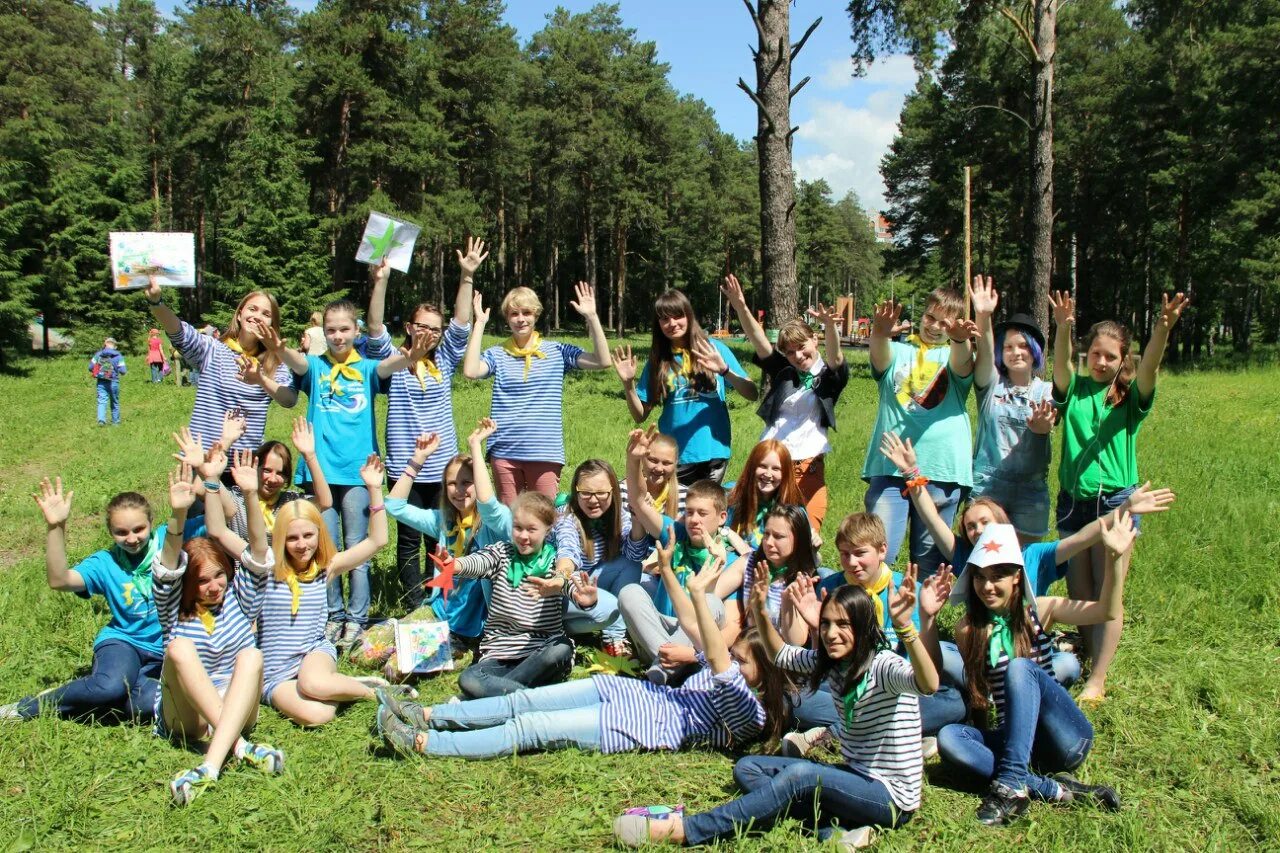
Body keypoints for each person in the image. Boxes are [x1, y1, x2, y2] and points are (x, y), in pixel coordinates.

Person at [613, 564, 940, 849]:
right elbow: (780, 655)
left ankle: (688, 830)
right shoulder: (833, 663)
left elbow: (928, 684)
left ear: (863, 627)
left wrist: (908, 628)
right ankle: (833, 828)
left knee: (800, 775)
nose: (832, 633)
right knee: (749, 769)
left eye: (844, 625)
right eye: (827, 624)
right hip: (855, 777)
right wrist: (759, 610)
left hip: (890, 797)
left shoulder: (882, 665)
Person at [376, 547, 781, 764]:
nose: (732, 661)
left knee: (528, 728)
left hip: (627, 725)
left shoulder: (750, 712)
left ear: (767, 677)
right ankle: (429, 715)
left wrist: (702, 596)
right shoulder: (728, 678)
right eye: (737, 655)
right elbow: (702, 636)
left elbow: (715, 653)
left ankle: (424, 743)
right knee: (522, 701)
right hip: (623, 693)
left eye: (743, 661)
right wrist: (682, 583)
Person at [937, 520, 1132, 826]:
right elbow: (978, 691)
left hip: (1064, 738)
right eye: (980, 577)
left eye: (998, 576)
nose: (987, 586)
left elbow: (1106, 610)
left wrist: (1115, 559)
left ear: (1016, 577)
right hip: (1018, 743)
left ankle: (1011, 786)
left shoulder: (1039, 610)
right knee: (950, 737)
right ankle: (1052, 788)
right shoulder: (967, 628)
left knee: (1020, 668)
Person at [265, 295, 427, 649]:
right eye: (331, 330)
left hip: (358, 473)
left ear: (355, 331)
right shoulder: (316, 367)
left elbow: (390, 367)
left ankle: (356, 618)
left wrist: (412, 355)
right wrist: (277, 348)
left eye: (344, 329)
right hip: (319, 471)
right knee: (325, 548)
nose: (337, 336)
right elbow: (296, 361)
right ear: (324, 332)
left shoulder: (367, 368)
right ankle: (331, 615)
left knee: (358, 549)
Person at [1049, 290, 1188, 701]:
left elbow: (1151, 367)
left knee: (1109, 592)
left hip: (1117, 504)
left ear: (1122, 359)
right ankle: (1089, 656)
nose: (1102, 362)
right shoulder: (1072, 388)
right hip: (1074, 503)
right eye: (1095, 353)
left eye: (1110, 356)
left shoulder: (1131, 399)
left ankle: (1097, 680)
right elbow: (1059, 364)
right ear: (1086, 354)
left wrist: (1162, 327)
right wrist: (1062, 328)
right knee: (1079, 592)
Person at [227, 455, 393, 727]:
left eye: (308, 535)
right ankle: (341, 686)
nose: (302, 545)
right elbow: (257, 540)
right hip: (275, 674)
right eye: (292, 538)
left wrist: (375, 489)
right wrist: (248, 494)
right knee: (320, 715)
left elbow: (377, 541)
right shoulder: (267, 567)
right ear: (280, 538)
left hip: (314, 654)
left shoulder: (324, 568)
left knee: (312, 681)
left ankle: (374, 692)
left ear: (319, 534)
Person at [154, 460, 284, 806]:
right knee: (179, 649)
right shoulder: (173, 609)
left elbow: (258, 551)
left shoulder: (239, 598)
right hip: (189, 717)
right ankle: (239, 747)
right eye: (202, 580)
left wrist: (252, 495)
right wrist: (178, 516)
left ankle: (210, 766)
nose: (214, 587)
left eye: (219, 575)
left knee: (252, 654)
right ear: (187, 583)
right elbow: (167, 567)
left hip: (236, 705)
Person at [373, 240, 483, 606]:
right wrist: (381, 281)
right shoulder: (393, 359)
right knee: (407, 538)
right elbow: (374, 326)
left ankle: (443, 598)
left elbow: (461, 322)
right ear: (408, 326)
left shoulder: (447, 358)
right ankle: (413, 604)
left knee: (443, 536)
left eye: (435, 330)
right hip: (406, 465)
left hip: (442, 467)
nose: (429, 334)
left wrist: (466, 276)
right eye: (422, 326)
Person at [1, 479, 162, 722]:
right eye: (121, 532)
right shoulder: (105, 563)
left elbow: (220, 521)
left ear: (151, 524)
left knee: (143, 706)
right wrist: (56, 527)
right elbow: (60, 580)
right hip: (124, 641)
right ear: (111, 532)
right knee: (109, 687)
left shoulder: (169, 543)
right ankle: (29, 707)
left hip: (164, 650)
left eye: (138, 529)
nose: (131, 539)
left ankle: (97, 693)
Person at [422, 492, 602, 699]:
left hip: (541, 653)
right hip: (499, 656)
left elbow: (570, 586)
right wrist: (454, 565)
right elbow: (477, 562)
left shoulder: (555, 564)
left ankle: (493, 696)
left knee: (560, 649)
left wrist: (586, 600)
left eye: (532, 529)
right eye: (518, 528)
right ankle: (528, 699)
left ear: (547, 529)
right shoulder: (501, 553)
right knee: (469, 678)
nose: (523, 536)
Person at [461, 283, 612, 504]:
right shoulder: (497, 354)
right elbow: (471, 371)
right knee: (509, 521)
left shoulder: (558, 351)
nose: (520, 319)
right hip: (504, 451)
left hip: (544, 451)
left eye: (526, 312)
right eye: (514, 313)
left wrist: (592, 317)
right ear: (506, 317)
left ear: (536, 315)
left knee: (543, 518)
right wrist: (480, 324)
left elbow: (602, 361)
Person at [618, 427, 746, 684]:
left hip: (695, 647)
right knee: (629, 592)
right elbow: (640, 501)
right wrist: (634, 461)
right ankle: (664, 664)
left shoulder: (729, 561)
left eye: (702, 513)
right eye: (690, 512)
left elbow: (733, 625)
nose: (693, 520)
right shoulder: (674, 533)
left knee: (710, 603)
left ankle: (663, 670)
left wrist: (689, 654)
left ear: (722, 518)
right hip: (659, 629)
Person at [721, 275, 849, 529]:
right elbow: (759, 341)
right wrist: (741, 307)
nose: (798, 356)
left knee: (806, 536)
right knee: (757, 533)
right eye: (790, 351)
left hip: (806, 468)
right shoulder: (785, 371)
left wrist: (830, 326)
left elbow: (836, 359)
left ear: (815, 340)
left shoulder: (828, 377)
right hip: (769, 462)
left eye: (801, 346)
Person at [861, 291, 975, 576]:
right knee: (876, 554)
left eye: (945, 324)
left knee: (929, 563)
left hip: (940, 469)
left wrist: (960, 339)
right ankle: (871, 616)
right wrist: (880, 331)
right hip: (890, 468)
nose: (935, 326)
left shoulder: (954, 353)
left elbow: (962, 366)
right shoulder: (900, 350)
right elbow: (879, 355)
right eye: (930, 317)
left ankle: (921, 620)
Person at [386, 421, 511, 648]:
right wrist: (418, 460)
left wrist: (475, 446)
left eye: (467, 482)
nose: (459, 489)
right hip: (437, 613)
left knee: (399, 665)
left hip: (471, 631)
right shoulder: (444, 521)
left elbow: (488, 505)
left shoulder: (497, 525)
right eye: (452, 483)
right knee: (368, 649)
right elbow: (395, 506)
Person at [615, 289, 757, 485]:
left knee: (703, 512)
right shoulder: (659, 360)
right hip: (673, 456)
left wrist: (725, 370)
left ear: (689, 316)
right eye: (665, 319)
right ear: (658, 325)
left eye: (678, 316)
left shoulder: (714, 348)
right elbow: (640, 415)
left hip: (713, 452)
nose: (672, 323)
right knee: (674, 512)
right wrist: (628, 384)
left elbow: (752, 393)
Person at [144, 278, 297, 453]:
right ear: (239, 314)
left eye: (266, 314)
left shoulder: (275, 362)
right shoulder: (213, 350)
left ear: (272, 323)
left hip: (244, 469)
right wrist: (156, 303)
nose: (257, 316)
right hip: (202, 461)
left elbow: (290, 400)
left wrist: (261, 379)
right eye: (252, 309)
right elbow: (180, 333)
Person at [969, 276, 1055, 542]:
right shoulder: (991, 384)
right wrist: (982, 317)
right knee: (984, 566)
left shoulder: (1047, 391)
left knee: (1026, 568)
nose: (1015, 352)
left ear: (1035, 351)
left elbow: (1054, 417)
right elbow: (983, 348)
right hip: (988, 487)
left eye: (1023, 346)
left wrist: (1043, 429)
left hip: (1030, 492)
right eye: (1008, 346)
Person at [553, 457, 652, 657]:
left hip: (588, 581)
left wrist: (638, 516)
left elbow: (636, 554)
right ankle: (556, 630)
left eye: (601, 493)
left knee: (631, 565)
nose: (593, 499)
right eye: (586, 493)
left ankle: (614, 635)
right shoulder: (566, 517)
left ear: (613, 492)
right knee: (615, 607)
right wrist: (560, 576)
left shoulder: (617, 515)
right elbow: (567, 552)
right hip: (561, 589)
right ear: (576, 491)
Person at [724, 439, 806, 550]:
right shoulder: (731, 495)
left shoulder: (794, 508)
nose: (768, 474)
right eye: (762, 466)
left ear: (785, 473)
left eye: (776, 469)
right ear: (752, 468)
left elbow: (803, 554)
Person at [616, 430, 686, 519]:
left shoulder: (685, 497)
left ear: (676, 463)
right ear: (642, 458)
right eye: (653, 460)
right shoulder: (621, 491)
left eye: (666, 463)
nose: (659, 468)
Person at [89, 337, 127, 426]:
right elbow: (123, 371)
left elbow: (90, 367)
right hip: (114, 381)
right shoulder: (118, 356)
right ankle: (115, 422)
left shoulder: (98, 354)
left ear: (105, 344)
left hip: (101, 381)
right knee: (114, 402)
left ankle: (101, 420)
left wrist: (98, 371)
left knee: (102, 401)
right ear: (115, 346)